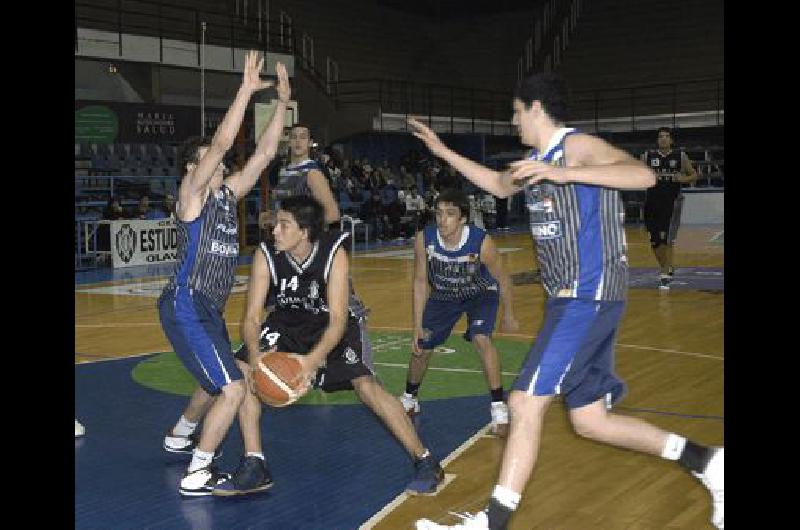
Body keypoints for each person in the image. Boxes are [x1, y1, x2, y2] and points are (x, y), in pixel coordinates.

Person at [408, 72, 723, 530]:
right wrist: (440, 150)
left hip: (587, 293)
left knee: (523, 403)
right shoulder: (534, 160)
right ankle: (709, 462)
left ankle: (490, 524)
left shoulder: (574, 148)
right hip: (571, 300)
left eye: (516, 111)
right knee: (591, 421)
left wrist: (562, 172)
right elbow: (498, 185)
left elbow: (643, 175)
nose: (513, 120)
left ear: (535, 107)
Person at [213, 196, 443, 496]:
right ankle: (255, 463)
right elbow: (252, 317)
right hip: (287, 321)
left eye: (284, 225)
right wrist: (256, 356)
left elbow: (337, 320)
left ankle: (425, 460)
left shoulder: (334, 253)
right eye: (276, 224)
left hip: (332, 321)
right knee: (243, 368)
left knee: (366, 385)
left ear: (304, 231)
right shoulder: (266, 254)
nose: (275, 231)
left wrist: (309, 362)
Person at [157, 51, 291, 497]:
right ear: (192, 170)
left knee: (225, 377)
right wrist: (245, 91)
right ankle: (198, 471)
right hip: (186, 303)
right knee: (232, 390)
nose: (216, 166)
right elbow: (219, 147)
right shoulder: (191, 196)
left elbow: (267, 152)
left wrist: (281, 106)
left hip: (208, 310)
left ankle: (179, 435)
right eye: (205, 161)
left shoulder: (224, 197)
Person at [400, 189, 519, 436]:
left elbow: (503, 278)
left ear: (463, 218)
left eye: (450, 214)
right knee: (422, 345)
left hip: (479, 294)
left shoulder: (481, 242)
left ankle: (498, 406)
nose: (442, 219)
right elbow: (421, 281)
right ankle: (410, 397)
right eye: (439, 213)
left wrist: (509, 313)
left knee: (481, 338)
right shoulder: (425, 239)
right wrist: (416, 326)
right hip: (443, 296)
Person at [641, 127, 698, 289]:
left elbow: (694, 175)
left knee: (666, 238)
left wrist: (683, 178)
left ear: (671, 140)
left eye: (666, 136)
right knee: (654, 240)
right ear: (657, 140)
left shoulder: (680, 156)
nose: (663, 139)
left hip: (672, 202)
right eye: (660, 137)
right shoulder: (647, 156)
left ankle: (664, 273)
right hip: (652, 202)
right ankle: (666, 266)